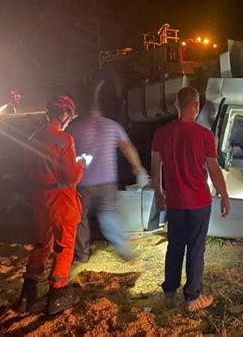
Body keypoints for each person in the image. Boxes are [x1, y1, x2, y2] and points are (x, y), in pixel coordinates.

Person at [151, 86, 230, 312]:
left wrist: (159, 194)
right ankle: (193, 298)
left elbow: (155, 168)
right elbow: (214, 169)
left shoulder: (162, 133)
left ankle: (169, 290)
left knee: (175, 245)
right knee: (195, 249)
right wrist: (224, 196)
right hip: (198, 202)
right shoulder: (204, 135)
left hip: (174, 202)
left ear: (177, 104)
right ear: (196, 106)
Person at [18, 95, 85, 315]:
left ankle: (27, 293)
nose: (69, 121)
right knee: (64, 247)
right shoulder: (65, 140)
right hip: (62, 202)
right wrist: (82, 164)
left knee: (42, 245)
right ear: (64, 114)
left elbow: (28, 173)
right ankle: (57, 294)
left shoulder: (31, 139)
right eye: (69, 116)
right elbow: (72, 176)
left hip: (40, 202)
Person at [68, 106, 149, 263]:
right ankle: (122, 247)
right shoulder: (111, 125)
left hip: (82, 182)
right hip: (107, 180)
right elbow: (127, 147)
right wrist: (138, 169)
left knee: (80, 219)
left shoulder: (74, 127)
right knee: (108, 214)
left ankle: (82, 255)